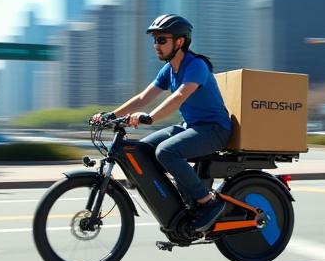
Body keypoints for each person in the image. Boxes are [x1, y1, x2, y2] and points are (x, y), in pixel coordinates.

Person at [94, 14, 232, 232]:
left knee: (166, 152)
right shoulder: (169, 70)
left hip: (214, 129)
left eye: (161, 40)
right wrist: (110, 115)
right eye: (154, 40)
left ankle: (207, 202)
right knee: (141, 149)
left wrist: (150, 117)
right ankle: (181, 196)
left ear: (179, 41)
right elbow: (143, 98)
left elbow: (179, 97)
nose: (156, 45)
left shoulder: (196, 65)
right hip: (191, 126)